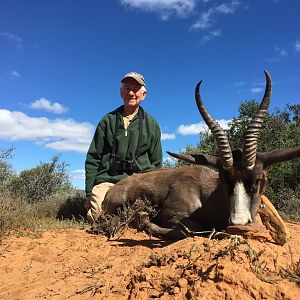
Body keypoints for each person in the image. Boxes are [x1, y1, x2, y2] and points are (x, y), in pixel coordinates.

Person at [85, 72, 163, 223]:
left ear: (144, 94)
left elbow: (156, 164)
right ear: (121, 92)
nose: (131, 93)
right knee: (98, 218)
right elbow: (93, 158)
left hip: (138, 184)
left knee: (146, 218)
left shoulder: (152, 124)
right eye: (127, 88)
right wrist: (89, 194)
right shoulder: (107, 121)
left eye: (136, 89)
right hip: (108, 181)